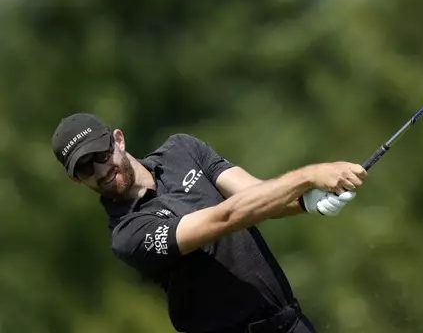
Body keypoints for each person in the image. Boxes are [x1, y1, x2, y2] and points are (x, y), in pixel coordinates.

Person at [51, 113, 368, 333]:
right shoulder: (128, 234)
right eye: (85, 169)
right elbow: (226, 217)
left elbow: (256, 196)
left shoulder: (182, 150)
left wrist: (305, 202)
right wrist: (309, 176)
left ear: (118, 140)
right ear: (78, 181)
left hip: (291, 322)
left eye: (100, 155)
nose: (100, 171)